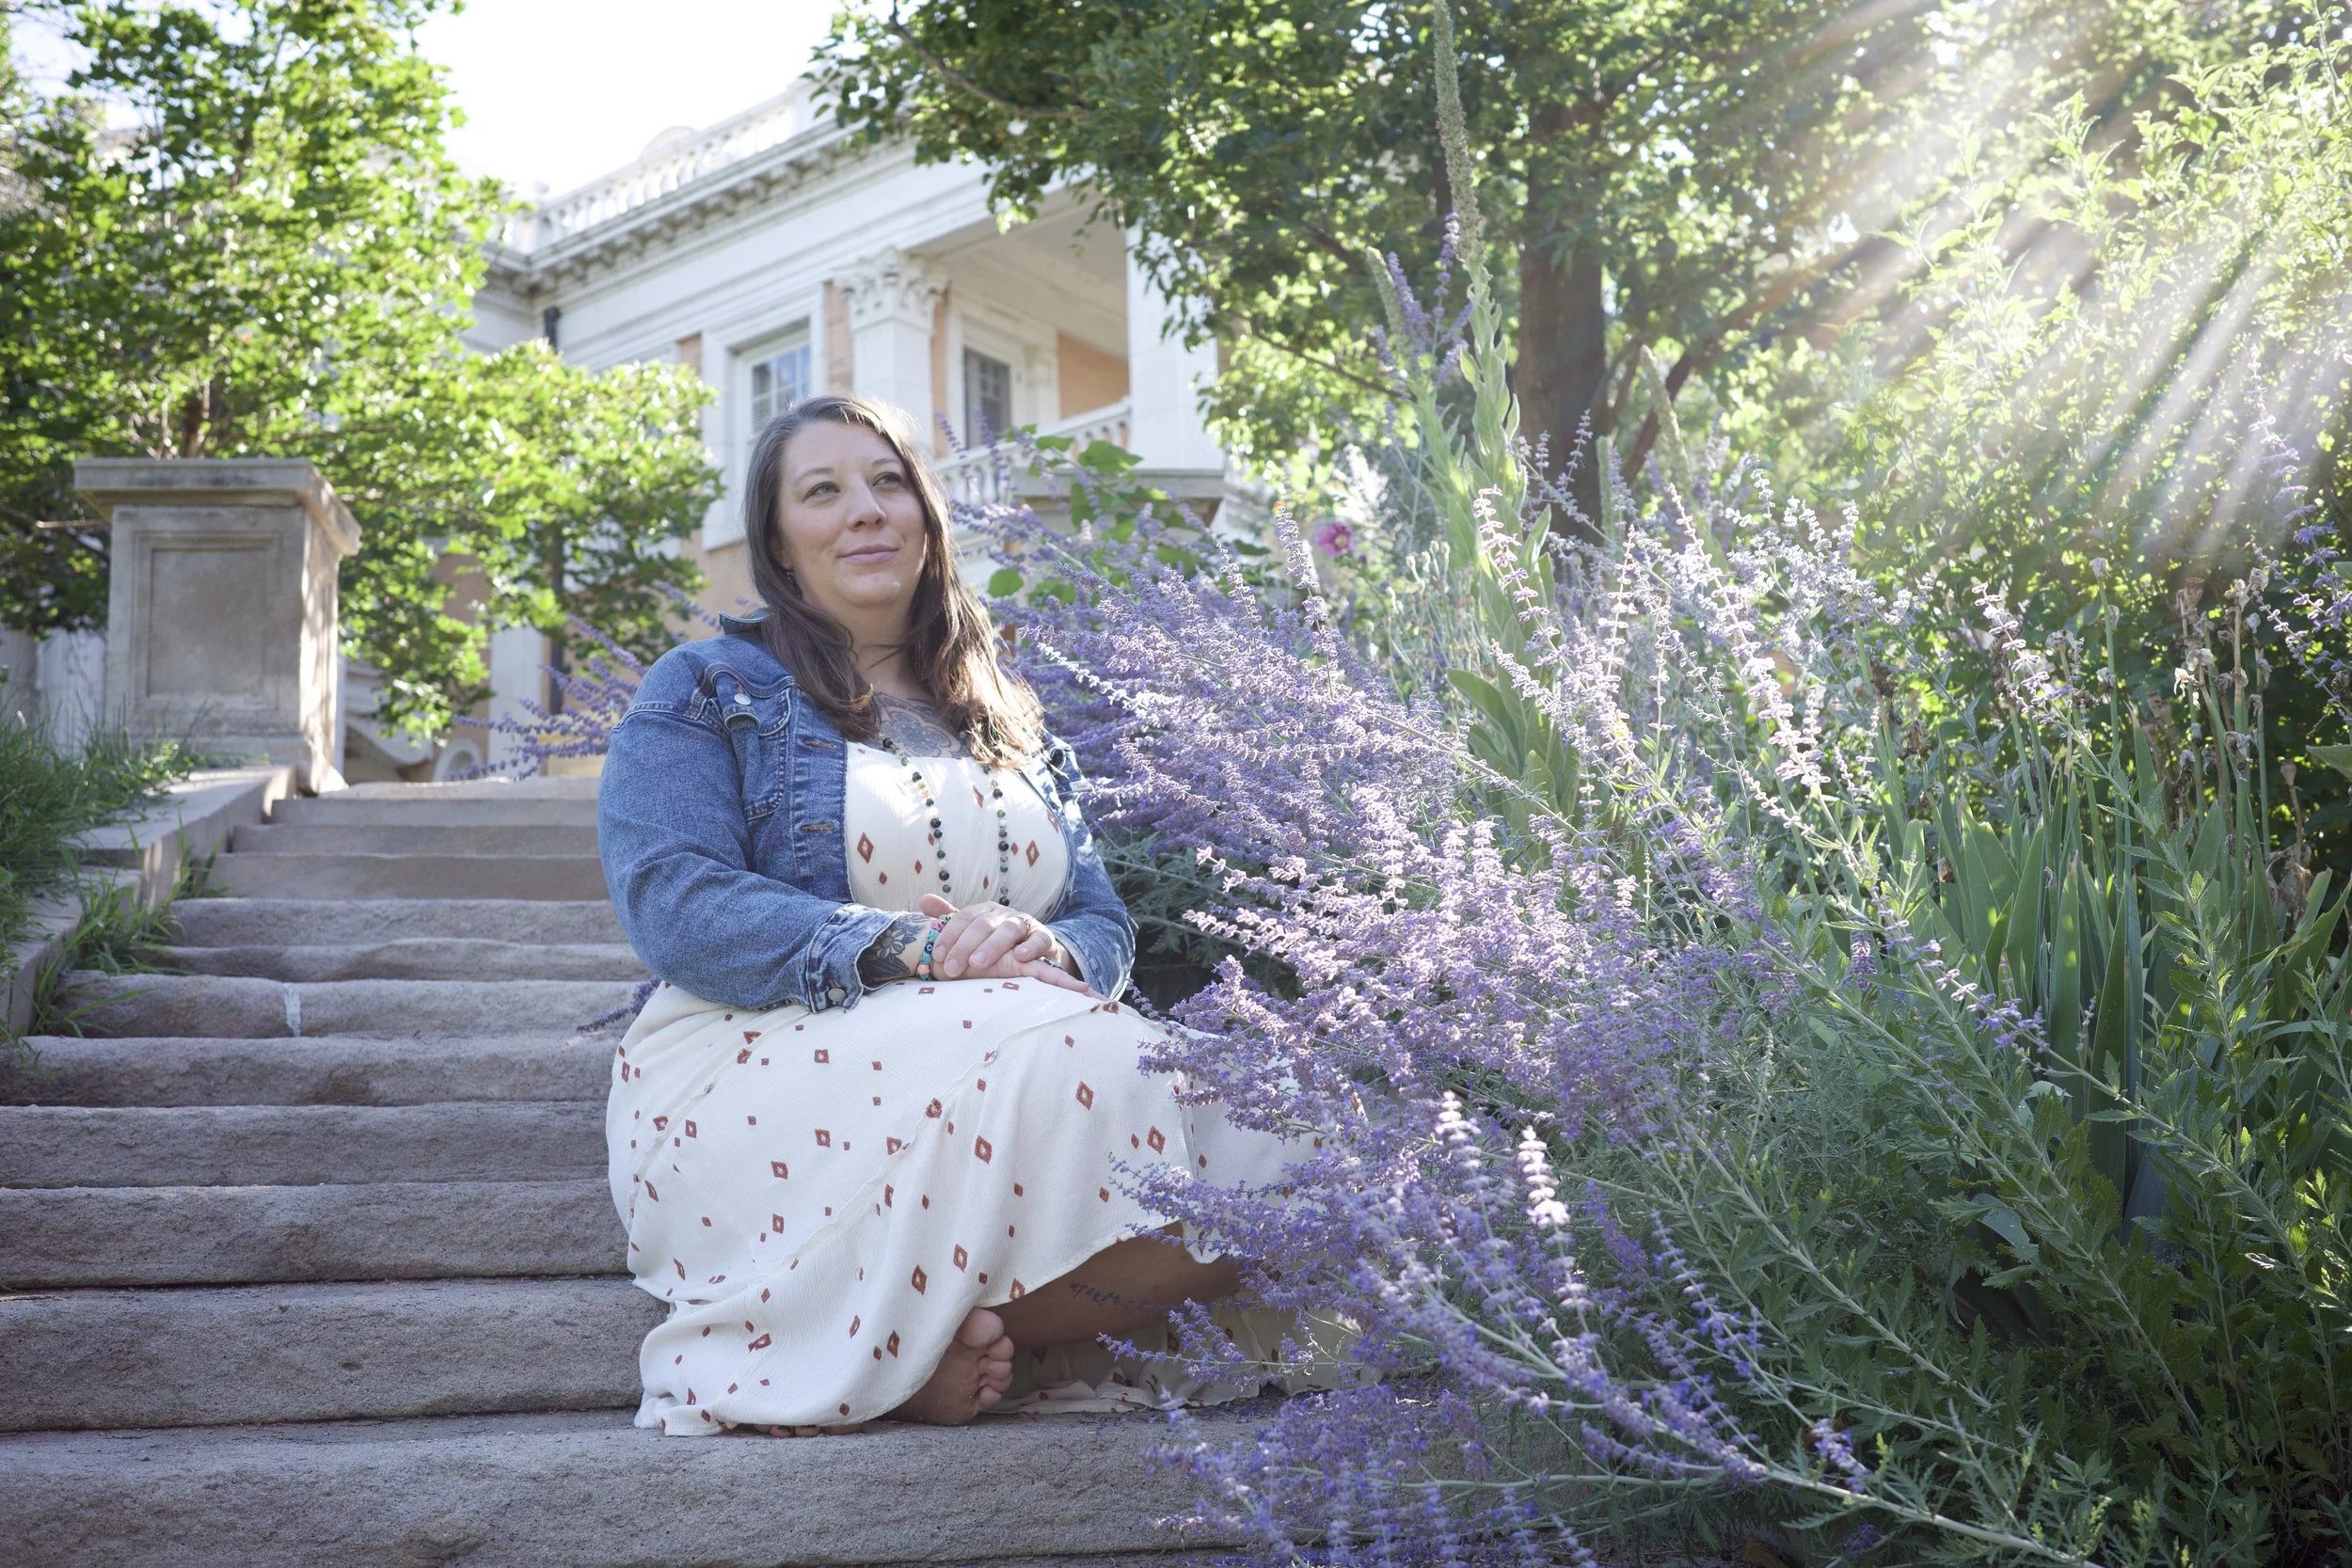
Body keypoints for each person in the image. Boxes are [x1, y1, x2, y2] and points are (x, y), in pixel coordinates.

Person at [596, 393, 1316, 1435]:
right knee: (1090, 1063)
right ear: (779, 546)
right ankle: (867, 1340)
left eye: (890, 482)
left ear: (929, 520)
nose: (866, 511)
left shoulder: (1010, 717)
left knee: (1290, 1138)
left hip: (1020, 1029)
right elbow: (679, 905)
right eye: (824, 490)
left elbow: (1096, 915)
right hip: (768, 1055)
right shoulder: (709, 687)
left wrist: (1045, 943)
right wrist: (915, 947)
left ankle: (934, 1338)